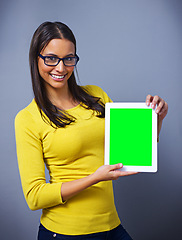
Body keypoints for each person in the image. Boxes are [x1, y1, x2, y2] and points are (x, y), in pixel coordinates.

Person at [15, 21, 168, 240]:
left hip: (111, 226)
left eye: (69, 58)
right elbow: (34, 197)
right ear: (35, 59)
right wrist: (94, 178)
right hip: (65, 233)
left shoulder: (96, 96)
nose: (61, 68)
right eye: (51, 58)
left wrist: (157, 118)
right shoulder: (28, 118)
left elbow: (134, 152)